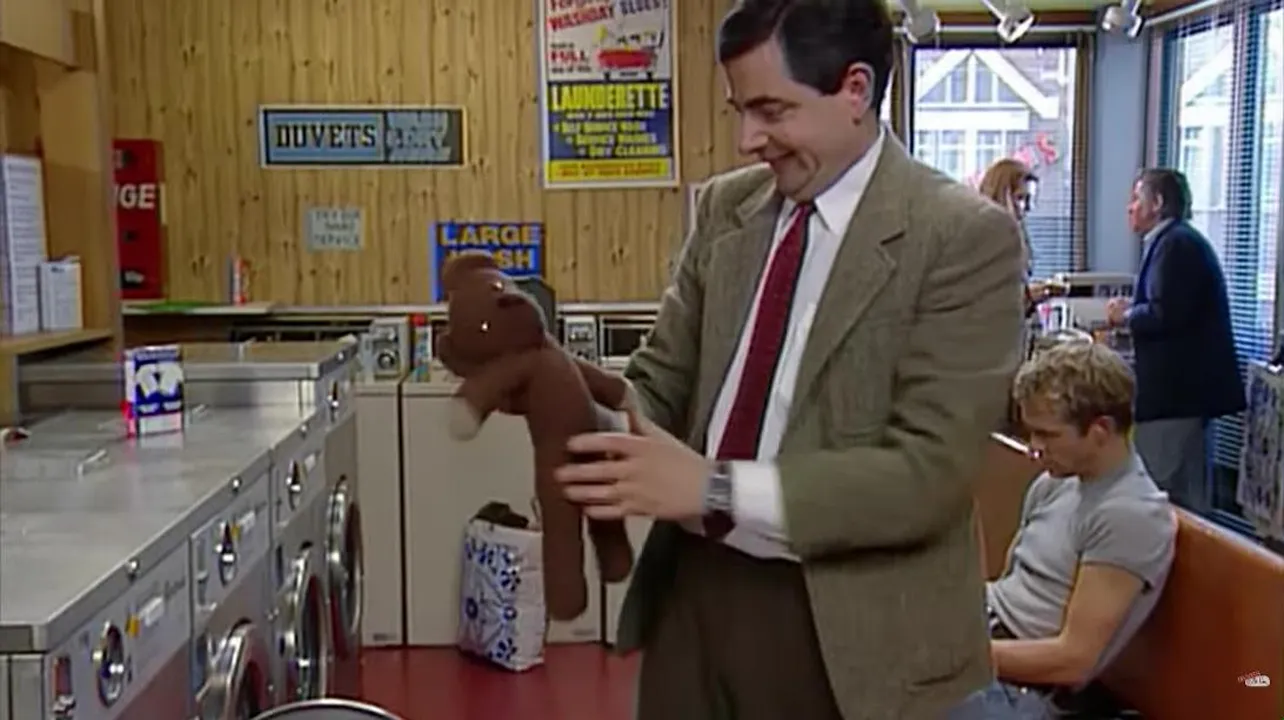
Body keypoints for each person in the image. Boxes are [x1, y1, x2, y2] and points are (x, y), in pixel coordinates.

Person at [553, 0, 1027, 717]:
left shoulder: (961, 237)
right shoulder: (726, 210)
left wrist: (714, 489)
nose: (748, 140)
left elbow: (927, 475)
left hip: (855, 634)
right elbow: (661, 379)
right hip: (694, 602)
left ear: (856, 90)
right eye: (740, 110)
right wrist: (575, 410)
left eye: (771, 110)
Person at [988, 341, 1177, 716]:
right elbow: (1011, 583)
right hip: (986, 635)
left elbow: (1072, 661)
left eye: (1048, 435)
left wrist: (950, 657)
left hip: (1021, 688)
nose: (1034, 449)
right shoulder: (1054, 483)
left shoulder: (1131, 515)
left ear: (1100, 430)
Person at [1105, 168, 1244, 512]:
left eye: (1136, 198)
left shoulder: (1175, 245)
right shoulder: (1178, 242)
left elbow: (1165, 313)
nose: (1129, 207)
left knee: (1155, 493)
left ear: (1157, 202)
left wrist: (1125, 315)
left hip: (1174, 398)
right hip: (1186, 398)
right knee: (1189, 499)